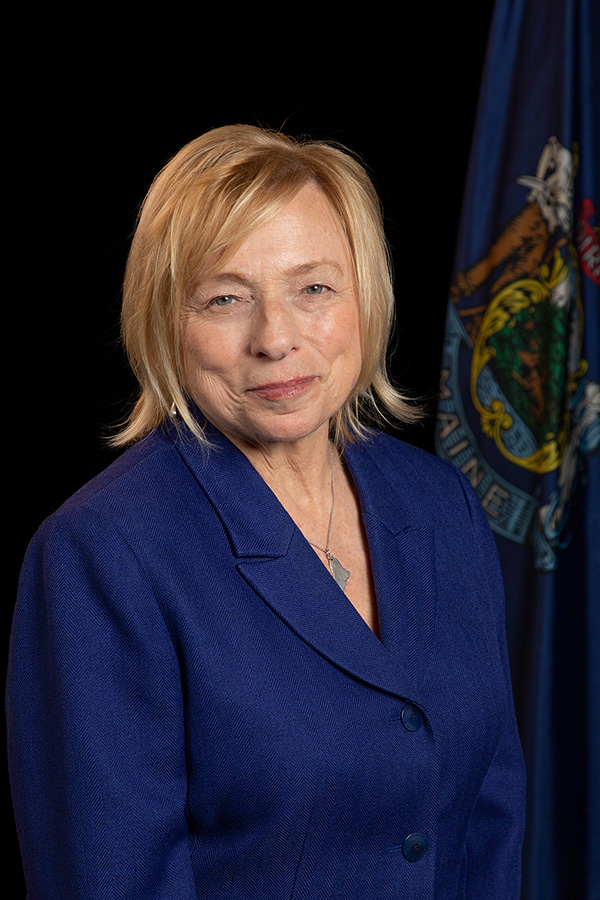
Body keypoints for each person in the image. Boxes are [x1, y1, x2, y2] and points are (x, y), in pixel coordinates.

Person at [7, 124, 526, 899]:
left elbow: (492, 815)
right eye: (225, 299)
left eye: (314, 288)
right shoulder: (101, 554)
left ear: (365, 298)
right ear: (164, 321)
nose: (276, 338)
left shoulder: (440, 501)